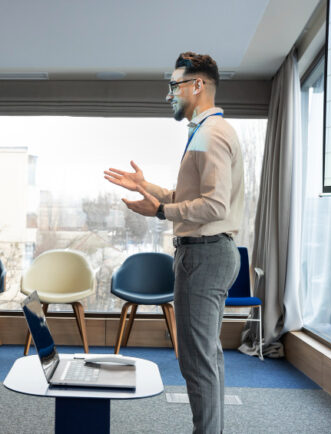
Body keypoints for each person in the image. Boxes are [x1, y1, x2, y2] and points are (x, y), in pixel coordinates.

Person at [105, 52, 243, 434]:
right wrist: (146, 188)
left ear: (197, 86)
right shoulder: (204, 133)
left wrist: (161, 213)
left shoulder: (212, 134)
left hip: (205, 253)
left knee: (197, 362)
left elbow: (214, 205)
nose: (169, 95)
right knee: (206, 358)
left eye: (174, 86)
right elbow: (187, 196)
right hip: (207, 252)